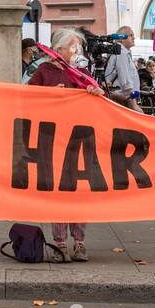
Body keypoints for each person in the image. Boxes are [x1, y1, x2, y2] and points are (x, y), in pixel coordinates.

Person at [27, 26, 106, 261]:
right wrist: (49, 95)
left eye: (78, 46)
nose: (76, 50)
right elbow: (27, 99)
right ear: (58, 49)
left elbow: (102, 98)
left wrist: (95, 92)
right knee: (59, 192)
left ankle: (79, 242)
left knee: (79, 190)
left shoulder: (81, 72)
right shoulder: (42, 71)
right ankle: (60, 243)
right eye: (72, 46)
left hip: (79, 139)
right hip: (54, 140)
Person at [102, 25, 141, 108]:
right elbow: (126, 81)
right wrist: (134, 104)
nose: (134, 37)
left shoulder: (124, 52)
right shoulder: (121, 52)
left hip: (124, 99)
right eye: (130, 35)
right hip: (123, 100)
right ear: (121, 39)